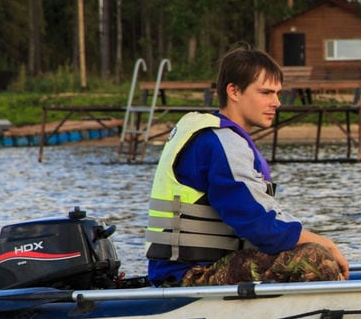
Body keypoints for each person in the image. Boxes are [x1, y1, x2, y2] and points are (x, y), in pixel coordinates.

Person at [145, 46, 349, 287]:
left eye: (277, 93)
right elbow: (260, 225)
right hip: (189, 275)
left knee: (309, 250)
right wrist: (326, 243)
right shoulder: (219, 141)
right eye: (265, 92)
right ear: (234, 91)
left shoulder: (217, 135)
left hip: (206, 265)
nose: (276, 102)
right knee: (315, 257)